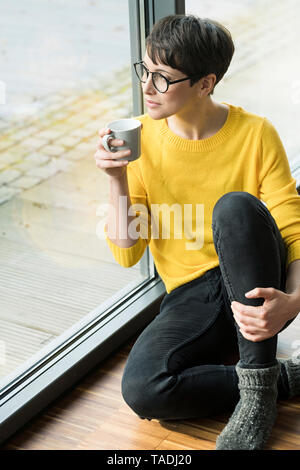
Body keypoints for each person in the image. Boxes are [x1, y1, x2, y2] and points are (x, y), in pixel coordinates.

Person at [94, 14, 300, 450]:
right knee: (144, 389)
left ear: (206, 84)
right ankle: (277, 378)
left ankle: (257, 398)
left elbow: (293, 233)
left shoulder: (256, 134)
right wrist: (117, 179)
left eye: (163, 79)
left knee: (236, 207)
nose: (147, 88)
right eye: (145, 71)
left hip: (254, 274)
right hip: (193, 294)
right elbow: (128, 255)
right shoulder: (140, 140)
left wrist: (294, 302)